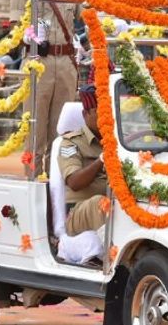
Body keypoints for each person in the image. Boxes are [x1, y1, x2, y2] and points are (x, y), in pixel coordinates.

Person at [11, 0, 80, 173]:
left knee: (62, 130)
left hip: (66, 62)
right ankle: (32, 181)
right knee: (35, 128)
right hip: (38, 61)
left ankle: (56, 186)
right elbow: (16, 30)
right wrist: (32, 36)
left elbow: (86, 22)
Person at [58, 86, 108, 236]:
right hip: (78, 212)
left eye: (108, 110)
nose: (106, 115)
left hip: (115, 205)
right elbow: (74, 182)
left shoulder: (119, 141)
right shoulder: (71, 143)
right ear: (85, 114)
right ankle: (113, 254)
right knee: (99, 203)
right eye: (99, 110)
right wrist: (101, 160)